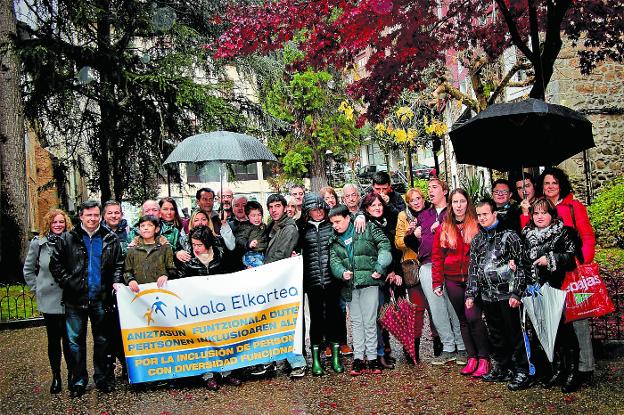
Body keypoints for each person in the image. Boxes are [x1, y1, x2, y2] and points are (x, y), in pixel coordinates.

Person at [50, 201, 124, 397]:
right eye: (88, 215)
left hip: (101, 298)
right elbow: (56, 265)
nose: (92, 219)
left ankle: (102, 379)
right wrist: (69, 283)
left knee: (102, 340)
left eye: (96, 215)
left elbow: (118, 264)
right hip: (75, 299)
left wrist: (115, 283)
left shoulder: (110, 238)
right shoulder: (68, 238)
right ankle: (78, 381)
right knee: (75, 342)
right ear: (81, 216)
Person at [539, 166, 596, 386]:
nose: (550, 186)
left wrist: (583, 261)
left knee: (578, 319)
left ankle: (585, 367)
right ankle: (564, 367)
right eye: (546, 183)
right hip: (549, 274)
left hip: (572, 271)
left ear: (561, 184)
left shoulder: (574, 207)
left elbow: (587, 236)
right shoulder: (539, 208)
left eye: (554, 182)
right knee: (558, 322)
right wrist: (526, 215)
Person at [466, 199, 530, 391]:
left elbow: (521, 265)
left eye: (485, 214)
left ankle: (523, 370)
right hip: (487, 296)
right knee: (496, 334)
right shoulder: (477, 239)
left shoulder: (509, 236)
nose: (482, 218)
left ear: (495, 214)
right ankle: (503, 366)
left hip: (508, 295)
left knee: (515, 334)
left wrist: (517, 293)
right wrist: (471, 293)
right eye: (479, 215)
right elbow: (473, 268)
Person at [521, 197, 582, 392]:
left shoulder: (563, 233)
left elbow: (573, 258)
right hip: (535, 290)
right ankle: (556, 369)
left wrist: (551, 259)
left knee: (565, 332)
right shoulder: (526, 234)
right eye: (536, 213)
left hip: (558, 289)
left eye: (543, 213)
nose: (539, 216)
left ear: (552, 215)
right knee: (545, 331)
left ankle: (573, 372)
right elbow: (522, 257)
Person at [432, 189, 491, 377]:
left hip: (473, 280)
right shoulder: (444, 227)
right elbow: (437, 257)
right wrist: (437, 282)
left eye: (462, 201)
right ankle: (472, 357)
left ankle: (484, 358)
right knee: (463, 320)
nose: (459, 205)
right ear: (450, 204)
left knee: (474, 316)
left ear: (468, 203)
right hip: (452, 280)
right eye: (455, 202)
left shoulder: (476, 224)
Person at [329, 204, 392, 376]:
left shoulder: (367, 227)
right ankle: (358, 358)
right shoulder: (334, 239)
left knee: (370, 321)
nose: (335, 226)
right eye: (333, 223)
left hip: (369, 281)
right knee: (356, 322)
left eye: (338, 221)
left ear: (348, 218)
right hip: (349, 286)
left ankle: (372, 358)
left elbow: (384, 245)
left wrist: (380, 266)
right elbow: (334, 261)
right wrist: (341, 272)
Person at [252, 193, 306, 378]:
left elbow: (281, 254)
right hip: (271, 280)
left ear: (285, 207)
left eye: (277, 206)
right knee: (271, 323)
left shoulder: (289, 228)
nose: (274, 210)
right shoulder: (271, 227)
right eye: (271, 207)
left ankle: (297, 361)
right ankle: (269, 360)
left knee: (286, 322)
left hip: (281, 281)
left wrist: (263, 269)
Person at [23, 208, 74, 394]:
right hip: (49, 299)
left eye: (61, 221)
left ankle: (71, 375)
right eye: (55, 222)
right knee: (54, 340)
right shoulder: (38, 244)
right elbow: (28, 270)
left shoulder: (72, 241)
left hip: (68, 298)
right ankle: (56, 376)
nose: (58, 225)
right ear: (49, 224)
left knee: (70, 340)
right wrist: (37, 289)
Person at [415, 178, 464, 363]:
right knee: (436, 308)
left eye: (434, 187)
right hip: (428, 265)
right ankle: (448, 346)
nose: (430, 191)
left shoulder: (452, 212)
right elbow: (413, 244)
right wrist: (413, 235)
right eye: (428, 188)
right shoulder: (424, 215)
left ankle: (462, 345)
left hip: (449, 265)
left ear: (444, 191)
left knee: (454, 306)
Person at [300, 193, 344, 376]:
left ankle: (335, 356)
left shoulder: (331, 226)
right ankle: (316, 358)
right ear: (307, 212)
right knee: (316, 319)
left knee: (334, 317)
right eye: (313, 210)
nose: (317, 213)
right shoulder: (301, 229)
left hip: (332, 279)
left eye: (320, 209)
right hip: (313, 282)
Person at [395, 187, 440, 363]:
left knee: (435, 306)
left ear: (423, 198)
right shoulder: (403, 216)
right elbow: (398, 242)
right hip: (413, 267)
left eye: (419, 198)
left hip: (430, 264)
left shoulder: (431, 213)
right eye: (412, 199)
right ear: (408, 202)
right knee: (417, 308)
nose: (416, 202)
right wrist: (410, 234)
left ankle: (439, 341)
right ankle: (413, 347)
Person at [361, 192, 403, 369]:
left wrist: (393, 270)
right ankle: (377, 354)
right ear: (367, 209)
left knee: (383, 316)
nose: (377, 208)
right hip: (374, 277)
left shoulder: (386, 221)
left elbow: (392, 250)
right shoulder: (365, 224)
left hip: (387, 275)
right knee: (375, 318)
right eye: (373, 206)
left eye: (379, 204)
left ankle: (384, 351)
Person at [122, 215, 176, 293]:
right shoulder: (132, 249)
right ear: (139, 229)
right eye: (142, 226)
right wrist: (130, 280)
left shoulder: (165, 247)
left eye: (150, 225)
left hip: (161, 290)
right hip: (139, 293)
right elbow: (127, 271)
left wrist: (165, 275)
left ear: (157, 229)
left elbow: (172, 269)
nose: (146, 228)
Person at [239, 201, 268, 268]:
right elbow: (240, 239)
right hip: (250, 255)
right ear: (247, 216)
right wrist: (248, 244)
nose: (257, 218)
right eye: (253, 215)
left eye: (259, 215)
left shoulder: (264, 226)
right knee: (261, 268)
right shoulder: (245, 227)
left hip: (262, 254)